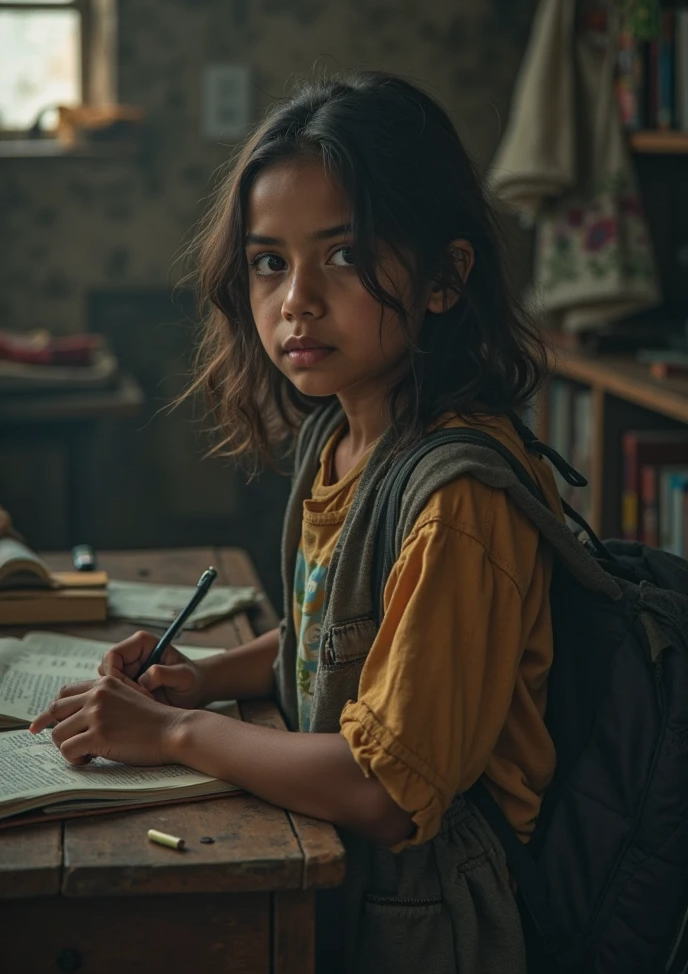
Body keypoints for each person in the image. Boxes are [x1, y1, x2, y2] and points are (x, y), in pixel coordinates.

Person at [31, 72, 565, 974]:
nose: (295, 300)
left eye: (345, 255)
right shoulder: (347, 436)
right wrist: (199, 677)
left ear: (445, 277)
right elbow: (340, 636)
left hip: (431, 911)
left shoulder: (458, 503)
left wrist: (168, 736)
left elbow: (389, 787)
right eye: (269, 261)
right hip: (342, 867)